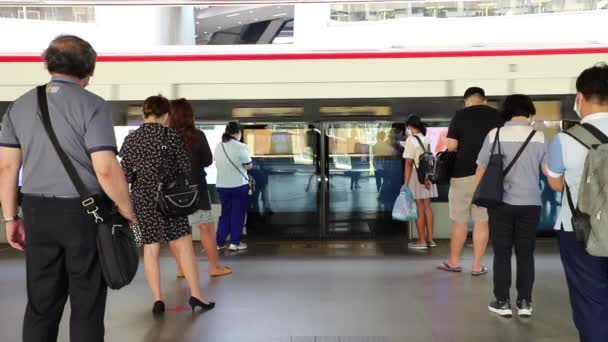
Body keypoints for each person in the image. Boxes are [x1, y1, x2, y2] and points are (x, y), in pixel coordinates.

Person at [0, 35, 135, 342]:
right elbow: (104, 166)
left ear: (48, 63)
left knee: (41, 303)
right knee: (86, 302)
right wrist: (126, 208)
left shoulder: (19, 106)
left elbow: (6, 168)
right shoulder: (94, 106)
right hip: (83, 213)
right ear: (89, 69)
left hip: (36, 212)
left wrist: (11, 218)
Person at [120, 95, 214, 314]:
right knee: (184, 246)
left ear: (144, 114)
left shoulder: (132, 139)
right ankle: (196, 295)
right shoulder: (171, 136)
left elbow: (124, 173)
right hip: (171, 199)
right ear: (165, 115)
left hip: (142, 200)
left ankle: (157, 299)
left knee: (150, 249)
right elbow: (184, 168)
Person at [544, 64, 608, 341]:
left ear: (580, 97)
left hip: (580, 232)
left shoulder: (566, 139)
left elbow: (556, 184)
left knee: (591, 302)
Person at [475, 95, 546, 317]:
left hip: (500, 203)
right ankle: (525, 302)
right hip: (531, 203)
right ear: (529, 111)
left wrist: (477, 197)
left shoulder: (494, 134)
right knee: (526, 253)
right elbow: (547, 171)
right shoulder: (540, 137)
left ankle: (502, 302)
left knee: (502, 253)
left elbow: (481, 169)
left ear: (506, 112)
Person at [439, 87, 502, 273]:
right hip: (487, 176)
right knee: (482, 221)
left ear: (466, 101)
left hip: (461, 174)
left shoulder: (460, 115)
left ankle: (454, 262)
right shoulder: (497, 116)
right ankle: (476, 266)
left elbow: (451, 146)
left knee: (459, 220)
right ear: (485, 100)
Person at [168, 98, 232, 278]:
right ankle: (214, 267)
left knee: (177, 230)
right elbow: (207, 161)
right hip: (197, 189)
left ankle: (181, 269)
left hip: (172, 191)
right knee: (206, 228)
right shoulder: (197, 135)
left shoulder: (165, 137)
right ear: (190, 115)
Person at [214, 121, 252, 251]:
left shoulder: (219, 146)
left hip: (222, 186)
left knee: (225, 214)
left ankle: (219, 243)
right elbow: (248, 165)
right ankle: (234, 243)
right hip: (238, 186)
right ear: (238, 133)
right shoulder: (240, 146)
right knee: (237, 214)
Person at [402, 115, 438, 249]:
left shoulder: (411, 140)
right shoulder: (426, 138)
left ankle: (421, 241)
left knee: (419, 207)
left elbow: (408, 164)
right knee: (427, 207)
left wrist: (405, 184)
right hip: (428, 176)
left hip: (416, 176)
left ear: (410, 127)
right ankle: (430, 240)